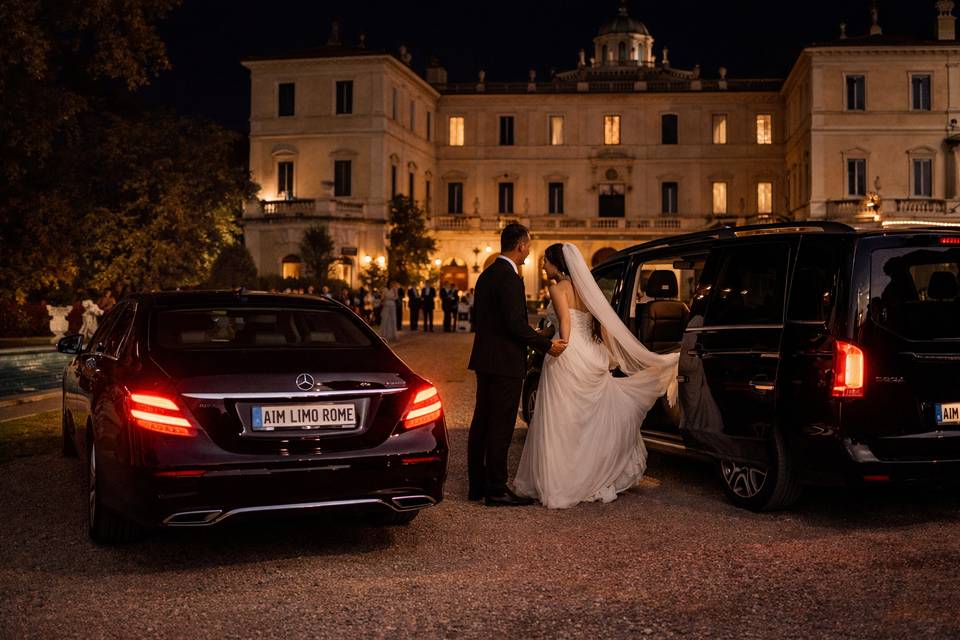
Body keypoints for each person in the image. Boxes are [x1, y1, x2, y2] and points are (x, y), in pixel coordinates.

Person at [513, 243, 680, 509]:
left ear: (557, 264)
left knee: (562, 421)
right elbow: (593, 325)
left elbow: (565, 330)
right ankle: (590, 475)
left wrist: (554, 346)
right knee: (585, 421)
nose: (543, 266)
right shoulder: (586, 289)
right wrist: (541, 335)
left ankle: (563, 482)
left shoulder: (558, 289)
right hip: (591, 353)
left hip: (568, 355)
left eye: (546, 262)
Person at [467, 223, 567, 507]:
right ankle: (496, 489)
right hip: (505, 363)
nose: (529, 252)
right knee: (501, 426)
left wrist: (536, 334)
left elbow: (496, 321)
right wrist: (546, 345)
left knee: (482, 423)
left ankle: (477, 485)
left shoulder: (486, 275)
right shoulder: (510, 278)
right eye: (529, 245)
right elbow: (514, 324)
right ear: (520, 245)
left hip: (485, 359)